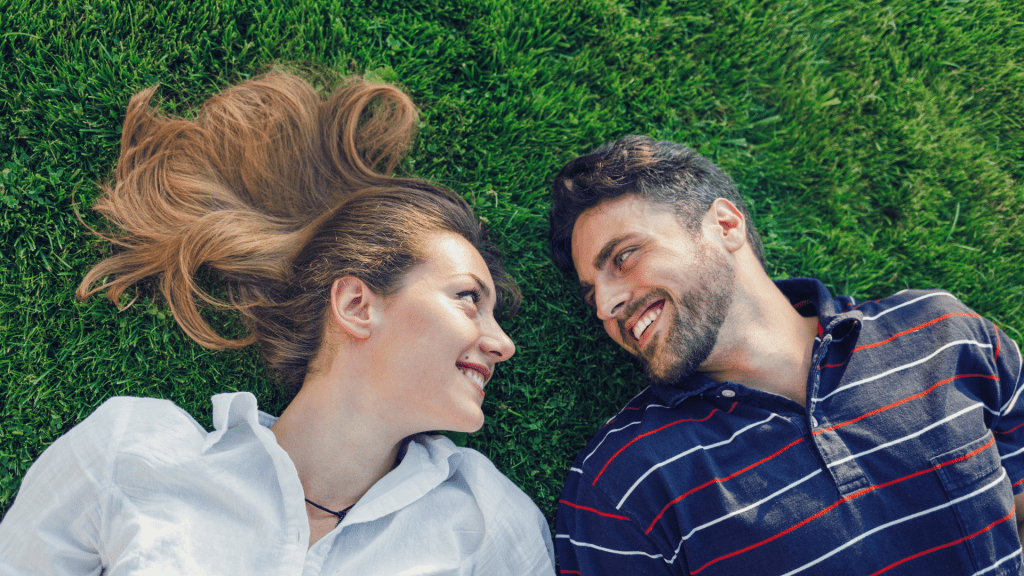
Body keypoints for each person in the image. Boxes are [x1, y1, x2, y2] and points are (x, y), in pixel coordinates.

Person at [0, 70, 555, 575]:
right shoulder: (134, 454)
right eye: (467, 298)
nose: (502, 343)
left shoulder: (488, 526)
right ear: (358, 306)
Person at [548, 135, 1024, 575]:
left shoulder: (941, 332)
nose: (607, 305)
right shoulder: (621, 483)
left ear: (725, 224)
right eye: (593, 298)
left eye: (624, 257)